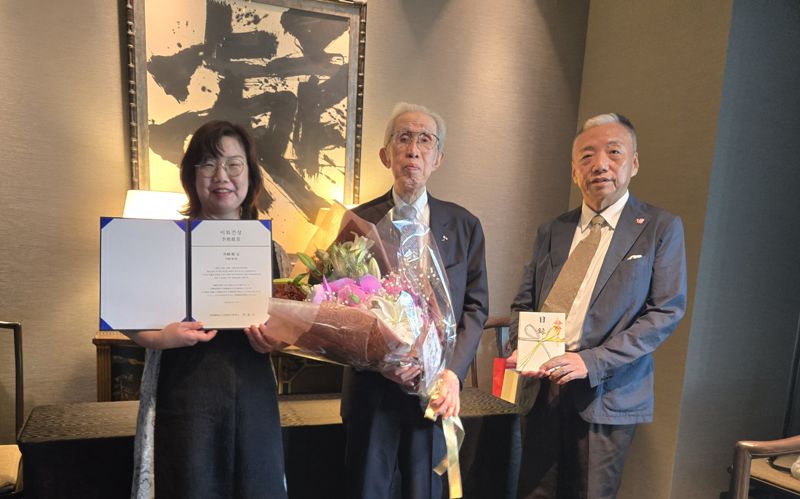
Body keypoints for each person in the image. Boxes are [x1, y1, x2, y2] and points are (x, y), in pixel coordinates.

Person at [508, 113, 687, 499]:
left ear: (634, 163)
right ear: (575, 172)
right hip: (542, 387)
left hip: (608, 390)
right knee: (534, 491)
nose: (600, 164)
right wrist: (522, 345)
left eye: (614, 152)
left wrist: (591, 361)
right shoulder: (552, 230)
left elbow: (665, 312)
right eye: (587, 156)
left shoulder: (659, 227)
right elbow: (525, 301)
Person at [126, 120, 288, 499]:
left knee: (256, 485)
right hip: (184, 393)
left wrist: (275, 341)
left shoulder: (271, 250)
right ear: (191, 175)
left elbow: (289, 326)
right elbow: (124, 312)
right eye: (208, 164)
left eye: (234, 164)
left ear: (250, 174)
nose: (222, 176)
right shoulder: (167, 242)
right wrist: (159, 338)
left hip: (253, 395)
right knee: (186, 485)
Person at [341, 102, 489, 499]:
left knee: (425, 490)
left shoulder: (464, 225)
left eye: (425, 140)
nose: (413, 150)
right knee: (367, 490)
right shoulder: (358, 222)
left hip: (435, 392)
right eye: (403, 138)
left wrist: (452, 374)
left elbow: (475, 308)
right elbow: (338, 309)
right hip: (373, 390)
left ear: (438, 158)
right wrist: (383, 360)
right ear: (385, 154)